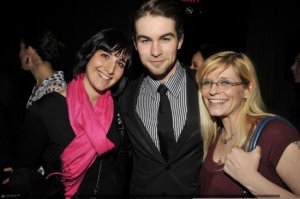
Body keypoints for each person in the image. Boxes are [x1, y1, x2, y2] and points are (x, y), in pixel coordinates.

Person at [8, 28, 132, 199]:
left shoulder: (117, 108)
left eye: (120, 63)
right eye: (105, 55)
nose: (111, 69)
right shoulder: (46, 109)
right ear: (89, 54)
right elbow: (24, 172)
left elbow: (121, 163)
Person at [118, 0, 203, 197]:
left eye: (165, 39)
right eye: (145, 40)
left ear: (180, 40)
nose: (155, 52)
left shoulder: (205, 86)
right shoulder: (125, 96)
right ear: (135, 44)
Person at [196, 51, 300, 197]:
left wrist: (250, 179)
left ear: (247, 89)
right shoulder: (214, 135)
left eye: (225, 82)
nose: (212, 91)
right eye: (207, 82)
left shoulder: (275, 134)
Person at [19, 27, 68, 109]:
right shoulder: (43, 87)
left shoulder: (56, 90)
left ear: (29, 51)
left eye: (21, 48)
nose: (19, 53)